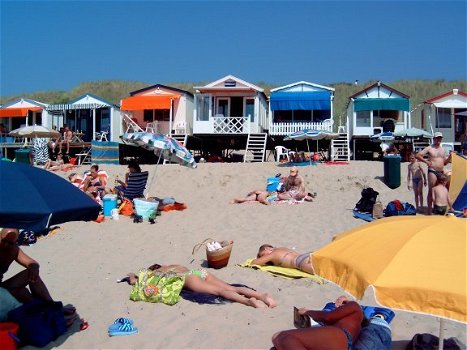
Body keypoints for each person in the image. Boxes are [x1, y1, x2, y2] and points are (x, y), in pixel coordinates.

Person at [0, 228, 76, 318]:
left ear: (16, 241)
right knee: (23, 292)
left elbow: (31, 263)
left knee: (31, 273)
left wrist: (34, 267)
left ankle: (52, 307)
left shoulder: (13, 250)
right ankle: (47, 314)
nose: (6, 245)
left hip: (3, 288)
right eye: (4, 241)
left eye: (10, 243)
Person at [126, 263, 277, 308]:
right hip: (197, 272)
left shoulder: (156, 273)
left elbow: (134, 281)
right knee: (230, 287)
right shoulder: (172, 265)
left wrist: (132, 274)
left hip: (187, 278)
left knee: (220, 292)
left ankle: (247, 301)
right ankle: (261, 295)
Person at [271, 297, 363, 350]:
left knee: (282, 337)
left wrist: (307, 312)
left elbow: (328, 317)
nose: (337, 300)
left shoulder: (354, 305)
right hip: (340, 343)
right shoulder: (353, 322)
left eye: (340, 299)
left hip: (340, 335)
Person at [416, 132, 452, 215]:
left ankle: (441, 208)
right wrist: (426, 161)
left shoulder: (443, 150)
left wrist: (450, 156)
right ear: (434, 139)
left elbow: (445, 163)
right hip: (432, 170)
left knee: (443, 190)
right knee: (431, 190)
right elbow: (418, 155)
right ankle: (429, 211)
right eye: (437, 138)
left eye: (440, 138)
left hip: (441, 171)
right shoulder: (430, 148)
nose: (438, 140)